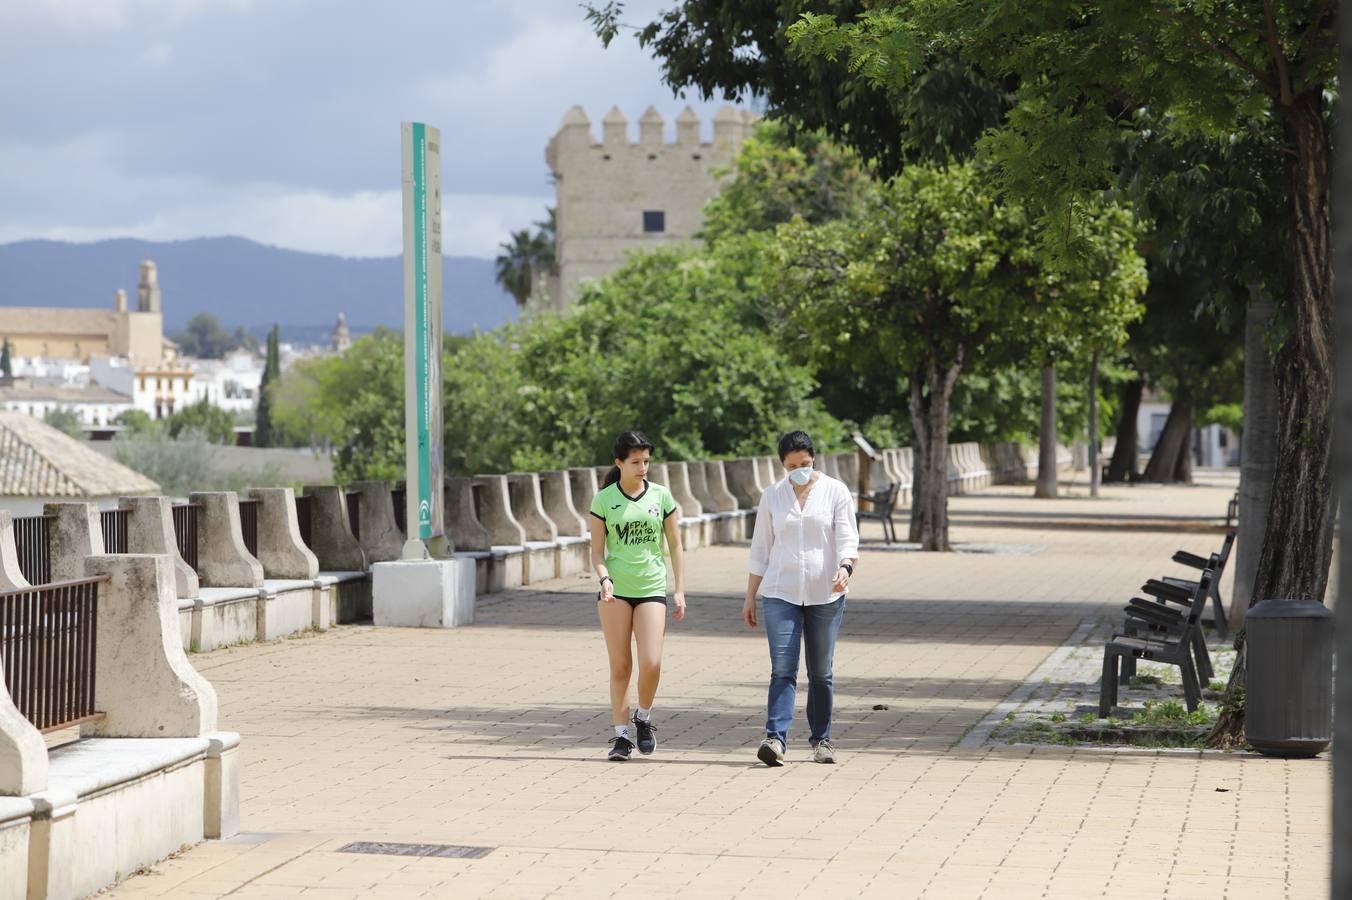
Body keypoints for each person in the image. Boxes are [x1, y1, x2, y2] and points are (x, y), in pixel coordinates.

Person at [743, 430, 859, 766]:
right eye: (791, 466)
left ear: (814, 459)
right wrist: (750, 595)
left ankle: (822, 739)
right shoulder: (773, 496)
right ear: (782, 465)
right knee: (782, 668)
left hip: (826, 592)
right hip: (781, 592)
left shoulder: (835, 491)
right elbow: (760, 549)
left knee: (821, 671)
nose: (799, 470)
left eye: (805, 464)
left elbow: (848, 538)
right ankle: (775, 740)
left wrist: (845, 567)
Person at [589, 430, 687, 761]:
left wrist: (680, 589)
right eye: (635, 462)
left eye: (646, 461)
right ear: (618, 463)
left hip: (650, 589)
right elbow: (596, 552)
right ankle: (620, 737)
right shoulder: (604, 500)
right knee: (620, 666)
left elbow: (675, 545)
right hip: (615, 593)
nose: (642, 467)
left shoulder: (661, 496)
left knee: (651, 662)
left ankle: (643, 718)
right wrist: (604, 580)